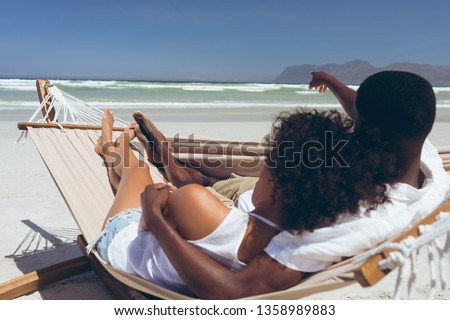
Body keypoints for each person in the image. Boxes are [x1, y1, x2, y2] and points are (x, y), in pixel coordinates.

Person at [138, 70, 450, 299]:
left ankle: (178, 171)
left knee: (211, 187)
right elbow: (373, 112)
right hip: (276, 195)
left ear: (367, 130)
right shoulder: (426, 161)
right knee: (243, 177)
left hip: (254, 214)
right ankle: (187, 171)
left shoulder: (359, 222)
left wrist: (155, 219)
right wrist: (334, 84)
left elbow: (237, 289)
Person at [90, 106, 390, 295]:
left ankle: (108, 148)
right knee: (132, 183)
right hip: (171, 249)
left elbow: (144, 222)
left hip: (122, 243)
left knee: (137, 172)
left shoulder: (197, 201)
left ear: (273, 180)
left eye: (264, 168)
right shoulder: (297, 246)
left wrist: (154, 211)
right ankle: (117, 156)